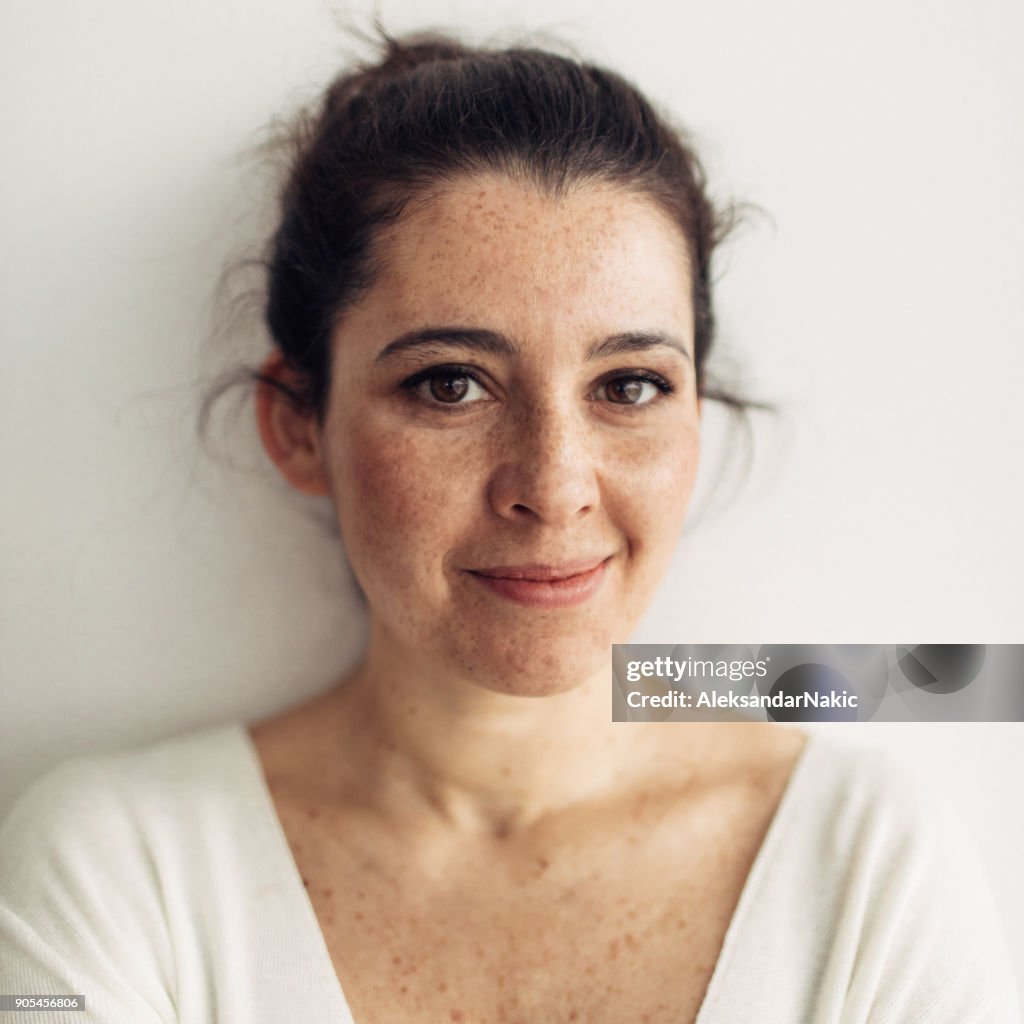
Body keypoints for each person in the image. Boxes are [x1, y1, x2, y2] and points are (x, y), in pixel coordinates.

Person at [0, 29, 1019, 1024]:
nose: (554, 484)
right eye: (451, 384)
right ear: (297, 424)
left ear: (695, 416)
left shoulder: (863, 865)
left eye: (628, 384)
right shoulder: (122, 875)